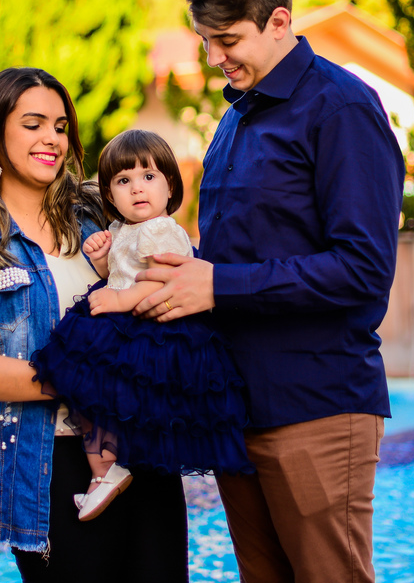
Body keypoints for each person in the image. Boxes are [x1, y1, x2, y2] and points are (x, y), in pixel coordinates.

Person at [132, 0, 405, 583]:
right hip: (235, 411)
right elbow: (231, 259)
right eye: (206, 41)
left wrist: (218, 286)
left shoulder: (341, 109)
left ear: (279, 21)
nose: (214, 57)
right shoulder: (234, 119)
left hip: (316, 407)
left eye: (228, 40)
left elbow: (365, 269)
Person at [0, 68, 189, 583]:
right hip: (50, 462)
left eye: (61, 126)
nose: (52, 138)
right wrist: (87, 379)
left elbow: (167, 274)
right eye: (33, 124)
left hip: (146, 447)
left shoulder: (100, 215)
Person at [30, 129, 252, 522]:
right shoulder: (122, 229)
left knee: (94, 382)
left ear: (170, 186)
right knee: (86, 385)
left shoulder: (159, 229)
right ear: (109, 194)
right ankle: (105, 470)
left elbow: (163, 280)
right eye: (123, 180)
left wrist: (118, 299)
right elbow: (122, 272)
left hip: (156, 330)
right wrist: (103, 262)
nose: (137, 188)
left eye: (148, 176)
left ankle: (108, 469)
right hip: (130, 321)